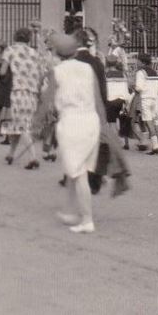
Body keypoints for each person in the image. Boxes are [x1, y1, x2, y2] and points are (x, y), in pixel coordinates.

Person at [51, 33, 102, 234]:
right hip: (90, 120)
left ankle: (87, 219)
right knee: (76, 169)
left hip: (72, 122)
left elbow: (48, 101)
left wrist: (38, 125)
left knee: (78, 173)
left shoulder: (57, 71)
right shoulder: (87, 68)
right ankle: (70, 211)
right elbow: (97, 98)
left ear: (57, 53)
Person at [74, 29, 129, 196]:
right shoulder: (98, 62)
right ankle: (96, 174)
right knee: (97, 141)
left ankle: (88, 177)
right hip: (96, 108)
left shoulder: (74, 62)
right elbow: (103, 87)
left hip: (80, 109)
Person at [0, 27, 46, 169]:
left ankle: (33, 157)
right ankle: (11, 154)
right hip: (31, 93)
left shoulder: (10, 50)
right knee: (19, 124)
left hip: (16, 91)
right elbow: (42, 74)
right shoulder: (35, 54)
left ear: (15, 36)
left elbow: (2, 71)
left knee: (22, 125)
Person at [134, 52, 158, 155]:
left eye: (138, 60)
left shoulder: (140, 73)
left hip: (146, 99)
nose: (136, 62)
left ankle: (155, 146)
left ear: (142, 62)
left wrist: (133, 87)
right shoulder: (156, 73)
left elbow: (139, 87)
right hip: (156, 99)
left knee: (148, 122)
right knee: (157, 121)